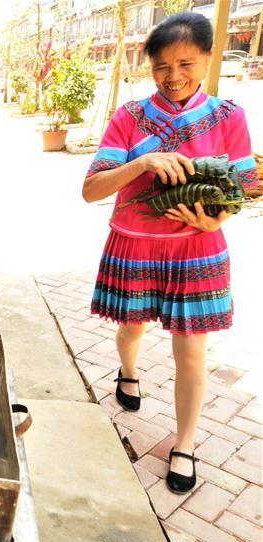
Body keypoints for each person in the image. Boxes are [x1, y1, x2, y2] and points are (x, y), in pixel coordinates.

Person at [81, 13, 258, 494]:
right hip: (135, 245)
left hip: (197, 250)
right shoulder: (129, 117)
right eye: (162, 66)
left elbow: (245, 186)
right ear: (150, 68)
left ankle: (185, 443)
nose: (174, 76)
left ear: (206, 58)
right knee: (131, 327)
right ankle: (130, 371)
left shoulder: (228, 116)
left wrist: (217, 218)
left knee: (191, 351)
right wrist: (142, 161)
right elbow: (92, 189)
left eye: (185, 63)